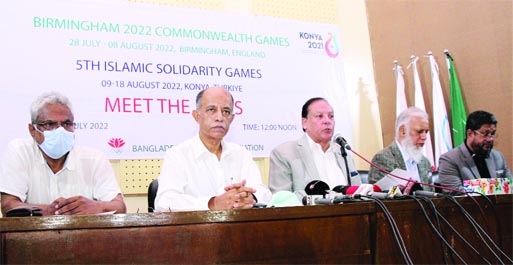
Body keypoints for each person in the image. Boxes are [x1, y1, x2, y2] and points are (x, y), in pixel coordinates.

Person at [0, 91, 126, 216]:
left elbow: (119, 207)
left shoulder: (94, 158)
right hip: (33, 235)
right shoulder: (19, 151)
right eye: (50, 124)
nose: (60, 130)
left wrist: (96, 207)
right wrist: (49, 211)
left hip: (83, 235)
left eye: (67, 124)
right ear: (32, 130)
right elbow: (8, 206)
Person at [155, 87, 271, 211]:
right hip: (196, 229)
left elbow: (263, 193)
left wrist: (248, 197)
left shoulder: (242, 154)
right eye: (211, 110)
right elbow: (164, 201)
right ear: (196, 116)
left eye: (226, 111)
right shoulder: (178, 155)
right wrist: (212, 203)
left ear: (232, 119)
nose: (219, 118)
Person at [268, 97, 362, 201]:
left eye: (331, 116)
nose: (327, 121)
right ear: (304, 123)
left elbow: (359, 195)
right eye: (319, 116)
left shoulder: (344, 153)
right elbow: (280, 200)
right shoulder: (284, 153)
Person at [439, 110, 512, 193]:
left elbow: (511, 188)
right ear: (470, 133)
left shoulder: (498, 157)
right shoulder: (449, 160)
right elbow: (456, 193)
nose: (490, 139)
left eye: (492, 133)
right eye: (485, 133)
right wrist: (497, 188)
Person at [368, 107, 433, 191]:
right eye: (419, 131)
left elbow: (432, 197)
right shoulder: (383, 158)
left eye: (426, 132)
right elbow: (382, 196)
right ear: (403, 131)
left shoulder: (425, 162)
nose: (424, 137)